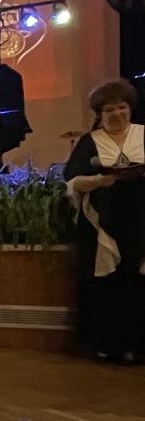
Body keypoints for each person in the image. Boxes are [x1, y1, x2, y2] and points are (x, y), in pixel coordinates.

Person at [64, 78, 145, 364]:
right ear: (100, 114)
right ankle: (106, 344)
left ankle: (138, 345)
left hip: (140, 221)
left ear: (130, 108)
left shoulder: (143, 134)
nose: (117, 114)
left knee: (138, 280)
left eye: (122, 107)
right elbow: (72, 180)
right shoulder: (90, 142)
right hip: (102, 223)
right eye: (109, 110)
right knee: (105, 282)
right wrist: (99, 180)